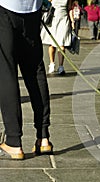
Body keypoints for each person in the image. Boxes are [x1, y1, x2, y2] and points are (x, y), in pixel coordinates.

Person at [0, 0, 53, 160]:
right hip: (32, 9)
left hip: (5, 8)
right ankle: (43, 138)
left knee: (6, 72)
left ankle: (14, 141)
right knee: (36, 71)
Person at [41, 0, 73, 75]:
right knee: (52, 43)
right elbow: (46, 4)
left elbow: (69, 8)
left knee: (61, 43)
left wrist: (72, 21)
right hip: (53, 19)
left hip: (64, 19)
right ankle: (52, 63)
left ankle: (61, 66)